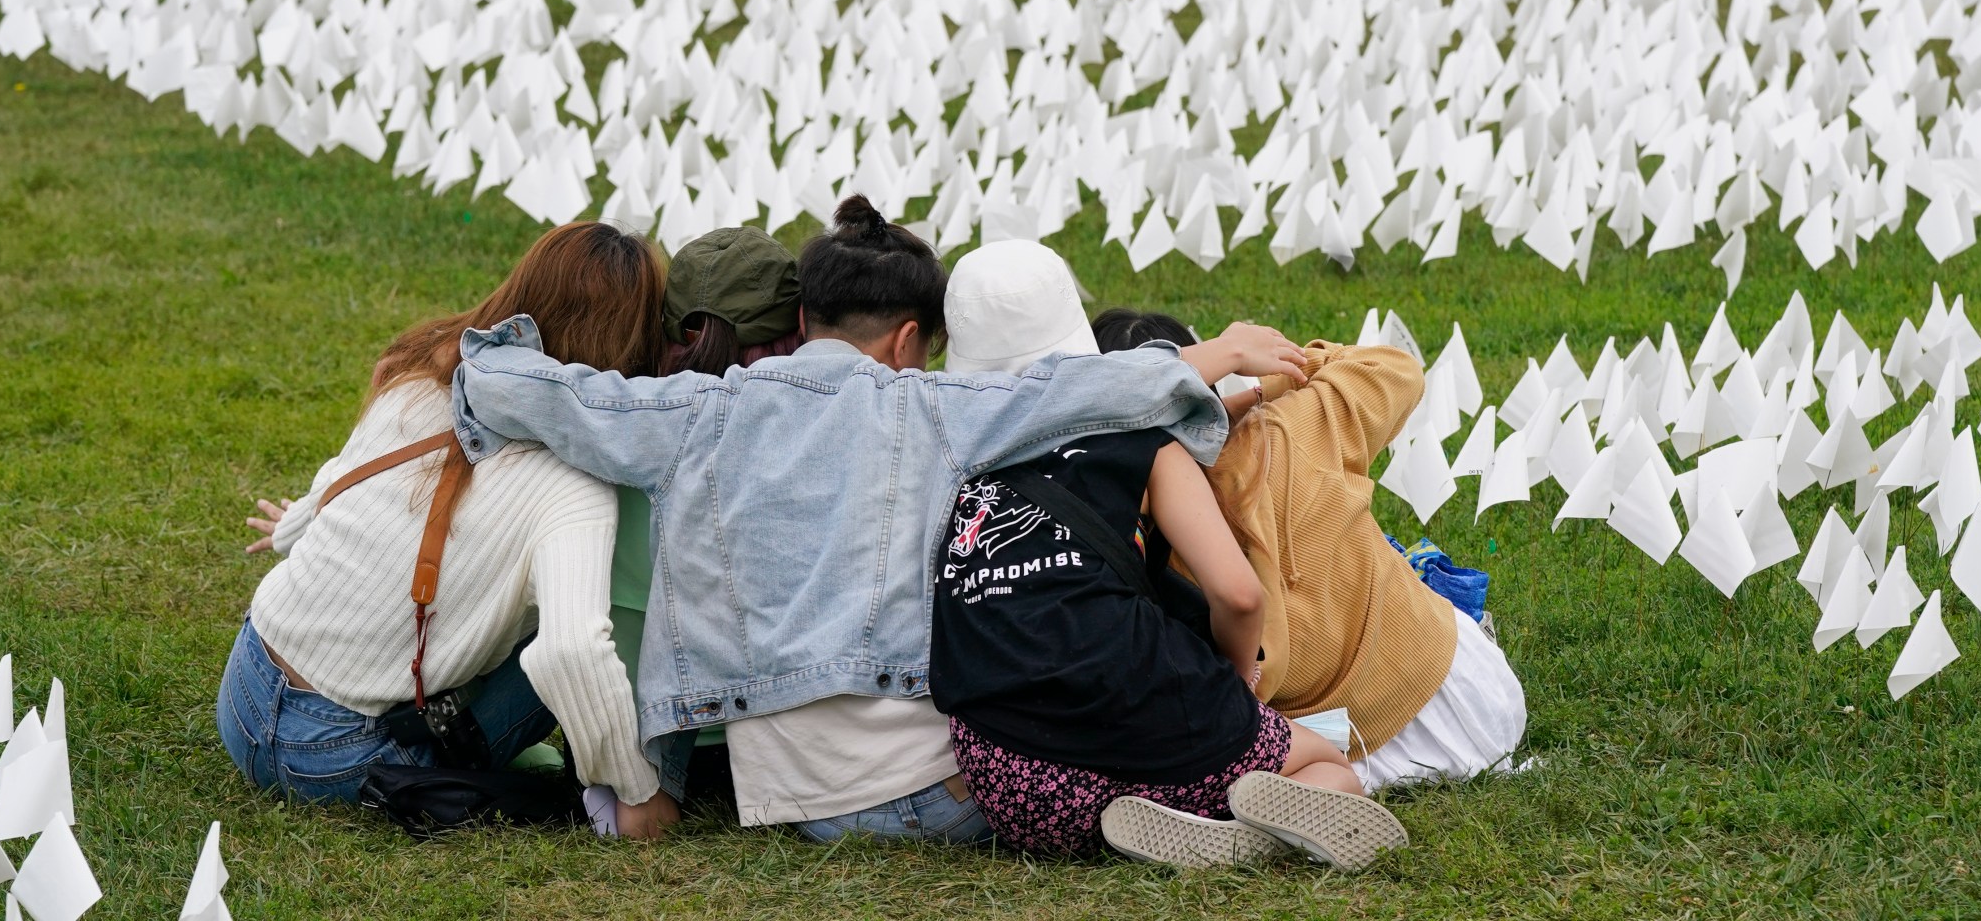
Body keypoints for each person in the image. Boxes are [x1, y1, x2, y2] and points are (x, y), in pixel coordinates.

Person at [446, 196, 1305, 845]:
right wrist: (1219, 353)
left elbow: (566, 397)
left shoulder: (695, 412)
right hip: (934, 796)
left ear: (801, 320)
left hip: (783, 801)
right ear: (905, 341)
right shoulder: (927, 407)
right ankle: (1207, 791)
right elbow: (1069, 389)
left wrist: (482, 362)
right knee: (1087, 715)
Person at [932, 241, 1406, 869]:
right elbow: (1239, 595)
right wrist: (1237, 684)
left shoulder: (957, 457)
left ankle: (1163, 816)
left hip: (1012, 788)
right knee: (1330, 766)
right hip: (1145, 709)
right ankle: (1241, 835)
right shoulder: (1146, 445)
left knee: (1133, 758)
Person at [221, 221, 680, 839]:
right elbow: (572, 652)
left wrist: (297, 528)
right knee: (584, 620)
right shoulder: (575, 482)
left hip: (245, 689)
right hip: (338, 762)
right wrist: (638, 790)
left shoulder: (423, 375)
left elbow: (349, 471)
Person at [1094, 308, 1528, 793]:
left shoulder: (1118, 523)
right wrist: (1264, 390)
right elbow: (1396, 368)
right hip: (1470, 693)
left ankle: (1249, 800)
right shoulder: (1294, 425)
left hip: (1341, 741)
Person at [600, 225, 804, 817]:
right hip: (772, 746)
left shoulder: (612, 425)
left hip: (640, 738)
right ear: (797, 329)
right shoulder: (809, 443)